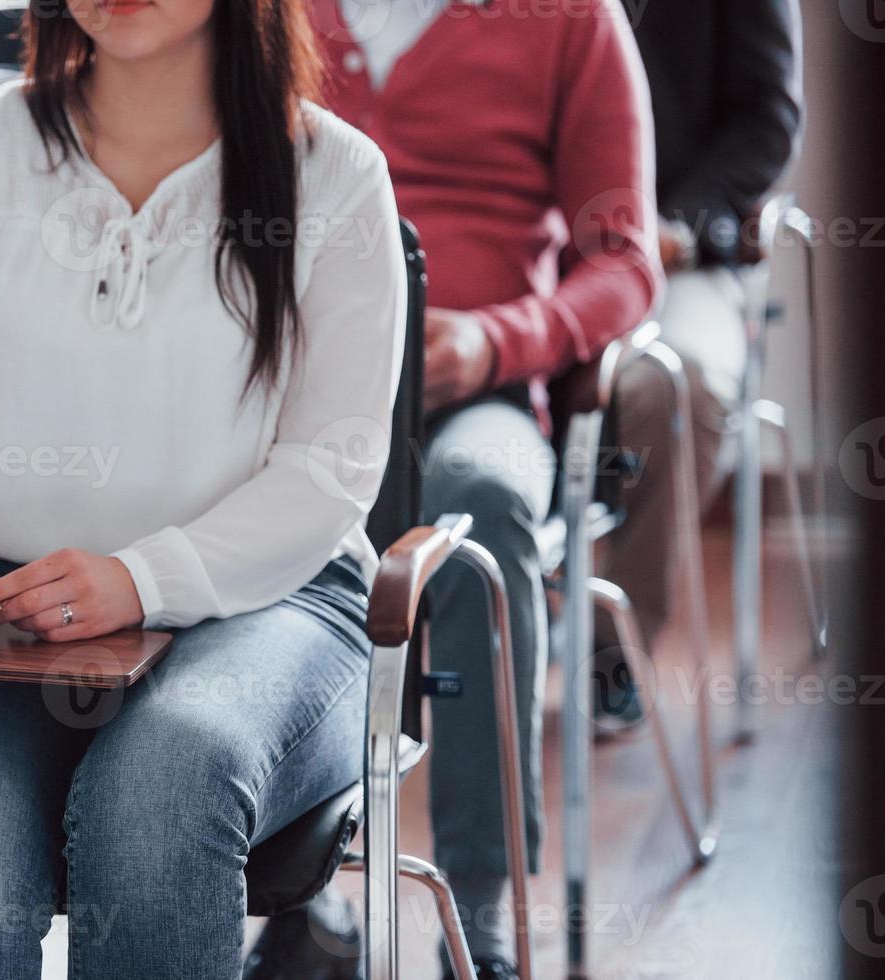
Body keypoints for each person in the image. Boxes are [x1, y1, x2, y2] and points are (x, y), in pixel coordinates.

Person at [0, 0, 407, 972]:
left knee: (164, 776)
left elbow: (327, 474)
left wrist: (141, 578)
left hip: (275, 600)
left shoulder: (337, 173)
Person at [249, 1, 661, 977]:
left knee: (481, 497)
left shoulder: (572, 20)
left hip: (477, 391)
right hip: (281, 393)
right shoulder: (266, 14)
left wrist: (495, 339)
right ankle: (286, 895)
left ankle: (478, 914)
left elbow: (625, 262)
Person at [596, 0, 802, 727]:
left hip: (681, 256)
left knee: (670, 387)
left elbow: (768, 121)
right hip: (544, 249)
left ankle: (611, 646)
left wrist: (676, 227)